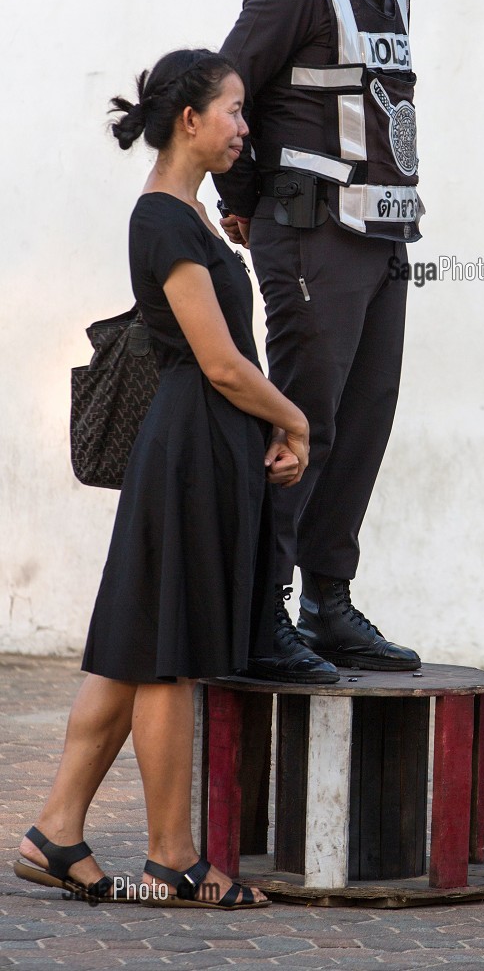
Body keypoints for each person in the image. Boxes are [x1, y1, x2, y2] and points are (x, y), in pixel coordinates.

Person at [15, 49, 323, 909]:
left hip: (198, 443)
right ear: (189, 119)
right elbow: (220, 362)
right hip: (191, 445)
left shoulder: (185, 216)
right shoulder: (164, 222)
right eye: (232, 110)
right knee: (169, 661)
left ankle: (55, 832)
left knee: (128, 650)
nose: (243, 125)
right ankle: (172, 860)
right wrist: (291, 418)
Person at [213, 0, 430, 673]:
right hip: (310, 239)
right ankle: (264, 615)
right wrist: (243, 196)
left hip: (380, 246)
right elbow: (228, 89)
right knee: (301, 428)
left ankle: (327, 604)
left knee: (361, 426)